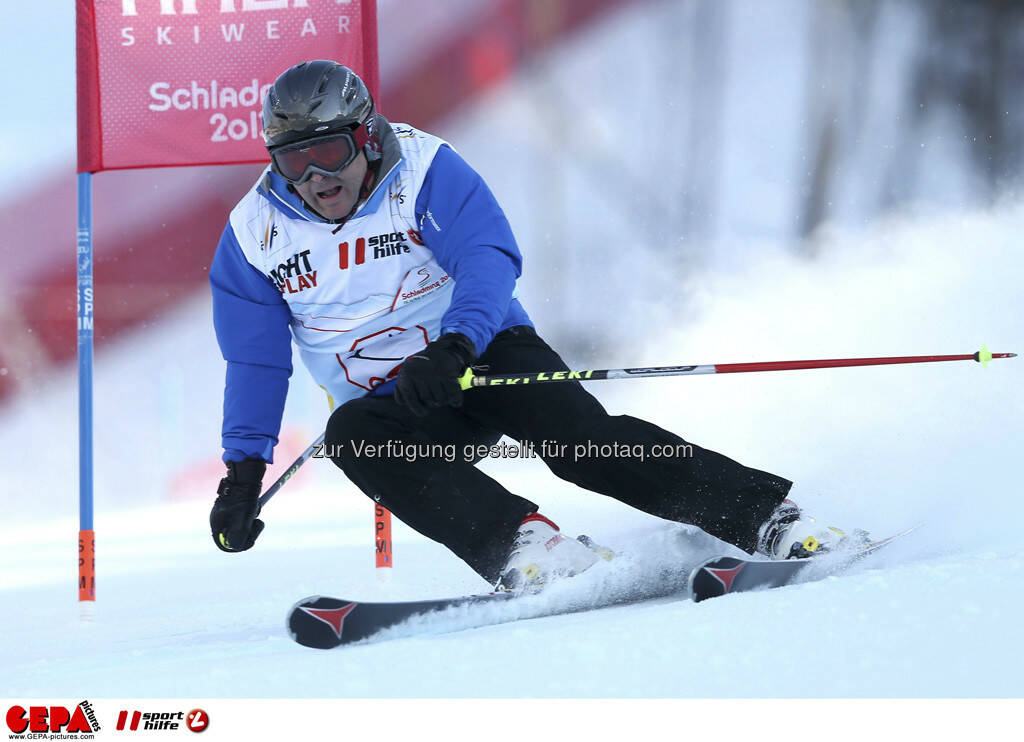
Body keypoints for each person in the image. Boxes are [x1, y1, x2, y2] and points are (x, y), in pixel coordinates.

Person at [208, 60, 851, 592]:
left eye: (329, 151)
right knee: (351, 435)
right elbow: (256, 361)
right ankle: (528, 549)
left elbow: (487, 259)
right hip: (398, 404)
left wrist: (456, 344)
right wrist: (243, 474)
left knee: (579, 442)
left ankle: (767, 517)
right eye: (293, 161)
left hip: (484, 355)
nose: (316, 177)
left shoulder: (425, 171)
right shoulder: (254, 236)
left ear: (367, 137)